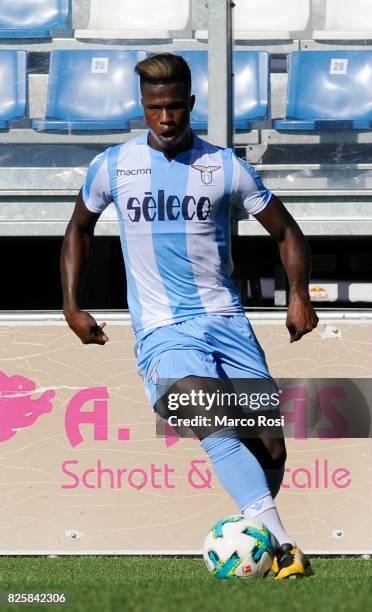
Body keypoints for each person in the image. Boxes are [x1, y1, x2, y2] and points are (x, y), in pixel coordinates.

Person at [61, 53, 318, 579]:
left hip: (227, 324)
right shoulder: (114, 165)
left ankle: (254, 540)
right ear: (143, 106)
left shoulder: (223, 166)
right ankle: (288, 550)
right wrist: (71, 303)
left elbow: (286, 230)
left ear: (191, 104)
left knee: (270, 446)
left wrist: (298, 294)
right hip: (162, 330)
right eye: (156, 108)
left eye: (176, 106)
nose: (167, 118)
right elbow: (78, 230)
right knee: (209, 417)